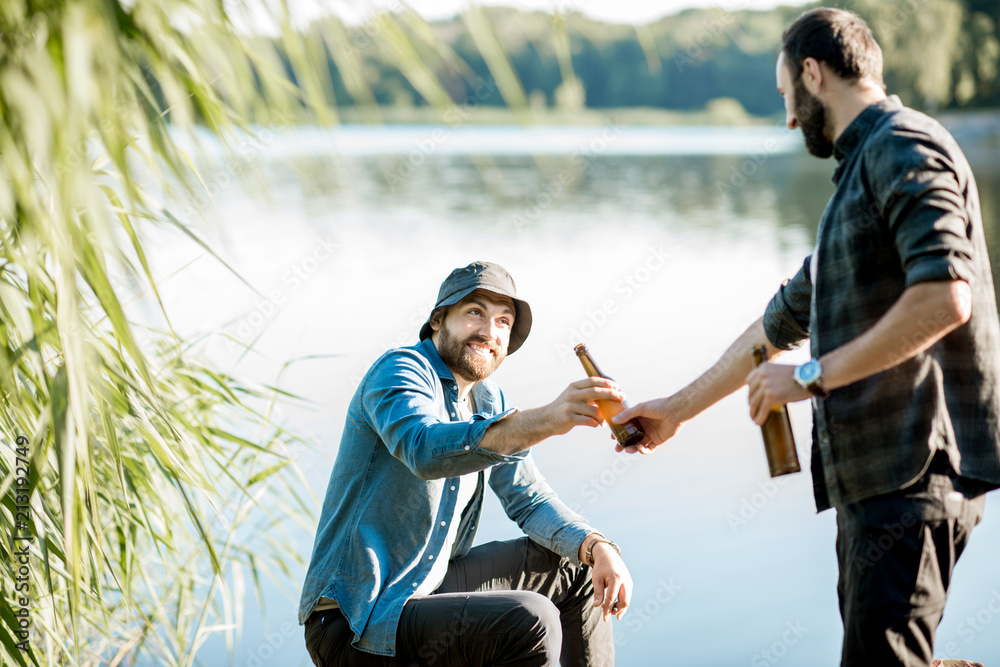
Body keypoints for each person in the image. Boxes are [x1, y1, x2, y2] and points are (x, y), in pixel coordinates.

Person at [612, 8, 1000, 667]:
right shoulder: (855, 181)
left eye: (786, 94)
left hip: (913, 477)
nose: (789, 117)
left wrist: (811, 376)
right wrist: (674, 411)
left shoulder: (904, 145)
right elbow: (773, 327)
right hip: (875, 491)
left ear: (813, 74)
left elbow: (945, 296)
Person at [298, 261, 633, 667]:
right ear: (439, 319)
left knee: (579, 567)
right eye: (475, 312)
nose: (489, 332)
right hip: (356, 619)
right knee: (530, 619)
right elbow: (422, 448)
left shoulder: (491, 401)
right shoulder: (399, 371)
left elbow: (528, 499)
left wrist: (595, 544)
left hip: (427, 588)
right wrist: (546, 419)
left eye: (503, 321)